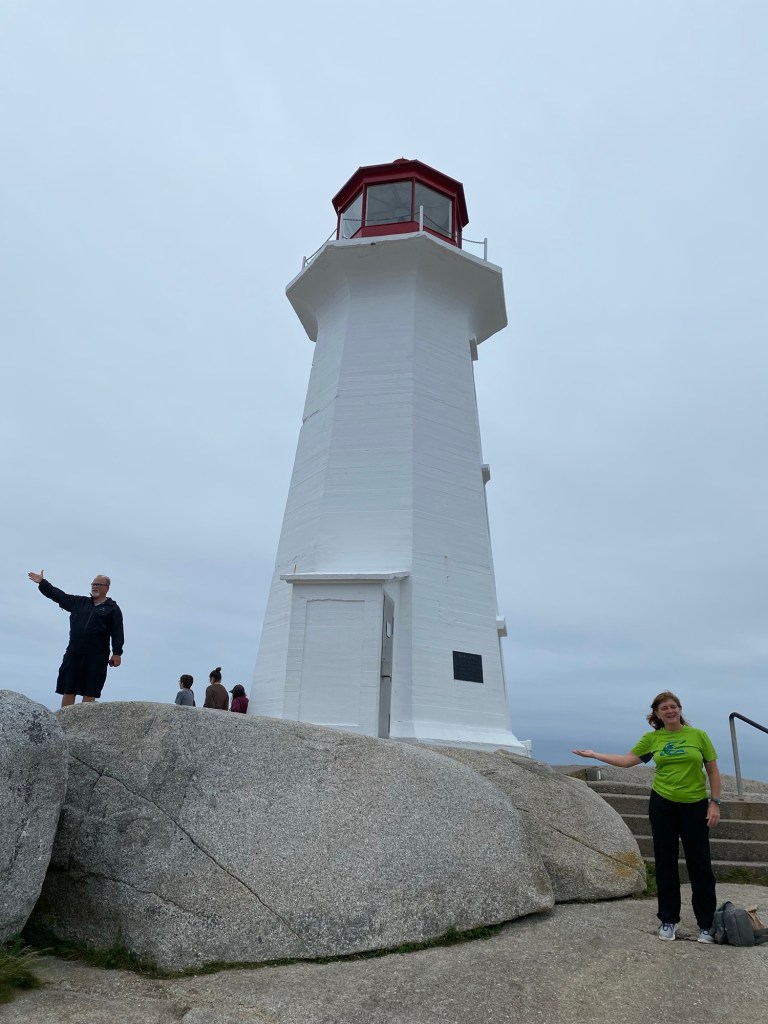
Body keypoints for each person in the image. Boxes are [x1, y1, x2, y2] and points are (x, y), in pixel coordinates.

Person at [573, 691, 721, 943]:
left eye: (674, 706)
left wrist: (714, 803)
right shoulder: (653, 739)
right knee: (665, 861)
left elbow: (713, 770)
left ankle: (706, 924)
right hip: (663, 803)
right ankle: (668, 920)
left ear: (680, 710)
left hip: (695, 804)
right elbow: (627, 761)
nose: (670, 711)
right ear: (657, 713)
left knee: (701, 864)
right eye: (664, 708)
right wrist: (596, 755)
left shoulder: (699, 736)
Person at [28, 569, 124, 707]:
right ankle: (64, 723)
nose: (94, 586)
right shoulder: (79, 602)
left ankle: (83, 723)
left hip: (97, 655)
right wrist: (43, 583)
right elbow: (59, 596)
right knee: (69, 688)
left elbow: (117, 631)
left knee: (90, 689)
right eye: (93, 584)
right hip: (75, 652)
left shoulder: (113, 609)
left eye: (98, 584)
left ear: (107, 588)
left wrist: (117, 653)